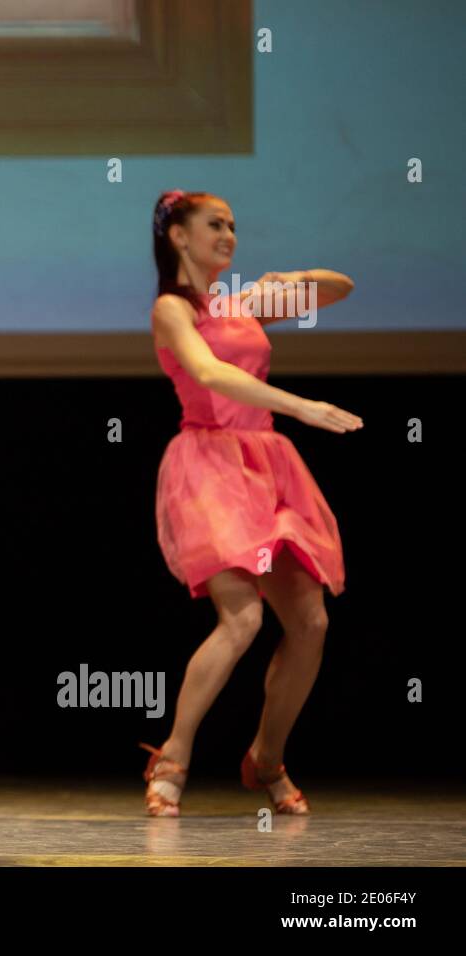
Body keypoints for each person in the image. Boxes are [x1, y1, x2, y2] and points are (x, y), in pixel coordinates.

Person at [140, 189, 361, 817]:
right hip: (209, 466)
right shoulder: (171, 311)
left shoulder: (243, 305)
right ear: (179, 237)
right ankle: (174, 756)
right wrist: (301, 406)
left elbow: (338, 287)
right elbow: (209, 375)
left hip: (267, 465)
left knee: (311, 622)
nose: (229, 234)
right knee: (242, 619)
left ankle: (266, 757)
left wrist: (287, 281)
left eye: (234, 225)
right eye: (215, 224)